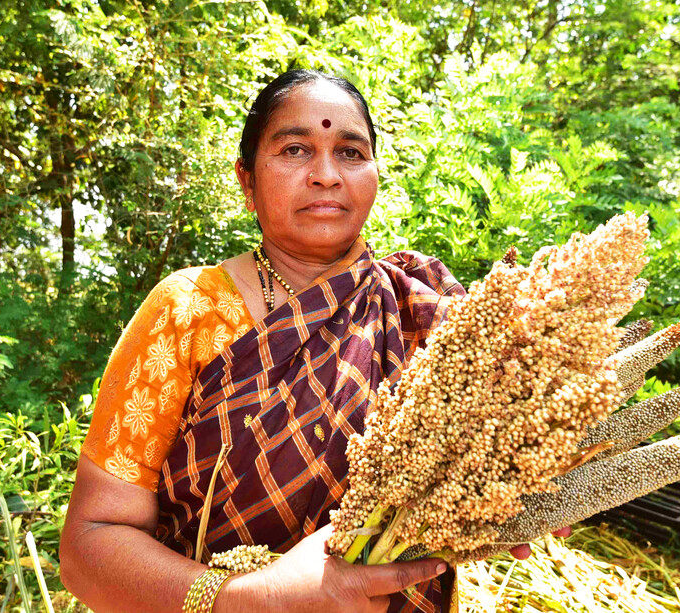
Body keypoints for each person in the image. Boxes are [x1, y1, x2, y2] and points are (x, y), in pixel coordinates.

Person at [59, 69, 546, 613]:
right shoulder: (189, 310)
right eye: (295, 150)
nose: (326, 176)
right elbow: (87, 548)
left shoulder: (425, 314)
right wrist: (248, 600)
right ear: (247, 181)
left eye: (351, 153)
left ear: (374, 174)